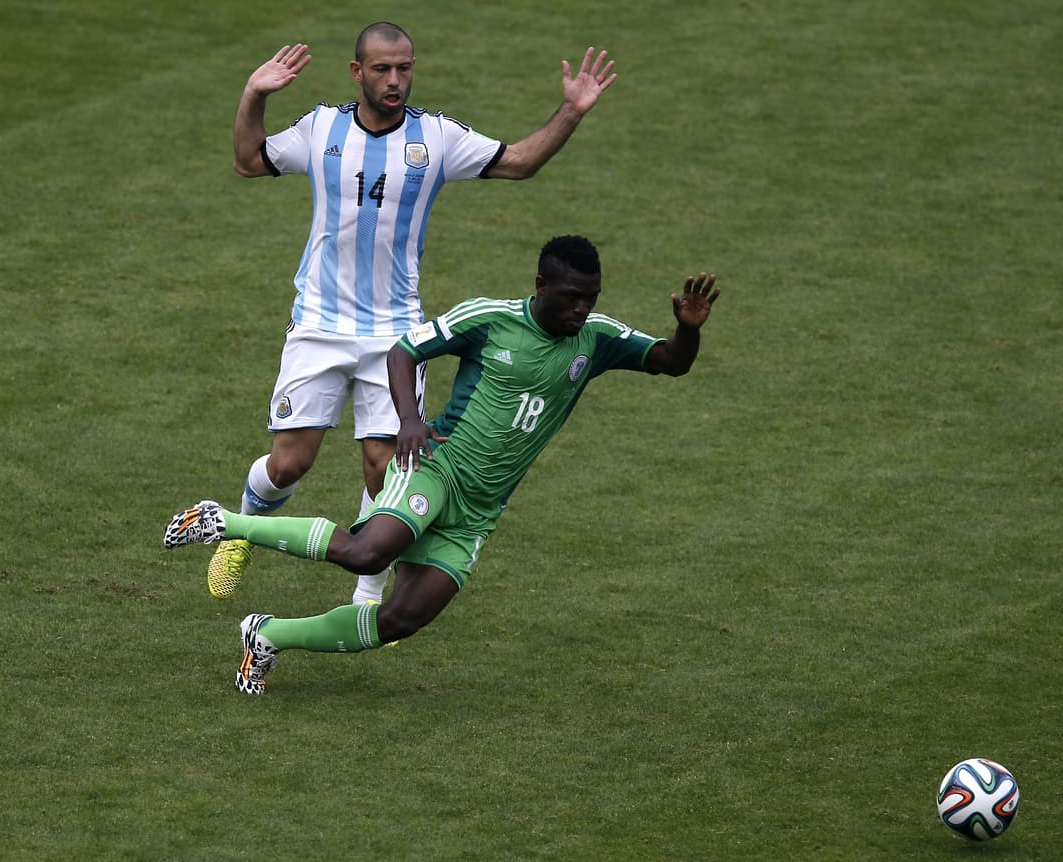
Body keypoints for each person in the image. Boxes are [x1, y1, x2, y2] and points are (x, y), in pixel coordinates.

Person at [165, 235, 720, 695]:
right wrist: (409, 419)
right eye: (574, 297)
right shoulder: (491, 318)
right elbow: (405, 350)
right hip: (438, 467)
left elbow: (670, 362)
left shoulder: (597, 340)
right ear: (541, 287)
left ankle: (266, 636)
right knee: (366, 552)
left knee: (401, 619)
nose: (584, 309)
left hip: (479, 511)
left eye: (591, 298)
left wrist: (688, 329)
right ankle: (221, 521)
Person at [212, 22, 618, 608]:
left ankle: (364, 598)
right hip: (319, 323)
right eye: (382, 69)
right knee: (289, 464)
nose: (395, 79)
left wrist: (571, 111)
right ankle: (240, 529)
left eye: (404, 67)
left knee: (384, 468)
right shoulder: (322, 126)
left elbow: (520, 162)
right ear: (358, 73)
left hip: (395, 333)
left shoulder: (438, 137)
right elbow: (249, 161)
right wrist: (255, 94)